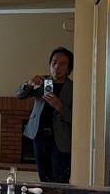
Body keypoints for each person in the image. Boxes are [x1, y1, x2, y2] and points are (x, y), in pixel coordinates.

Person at [15, 47, 73, 183]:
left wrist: (59, 106)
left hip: (60, 139)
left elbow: (77, 118)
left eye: (62, 64)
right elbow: (19, 95)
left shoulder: (74, 88)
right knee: (44, 177)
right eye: (54, 62)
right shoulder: (41, 83)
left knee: (60, 179)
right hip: (39, 137)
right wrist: (29, 84)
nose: (56, 67)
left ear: (69, 69)